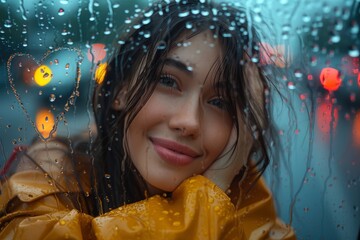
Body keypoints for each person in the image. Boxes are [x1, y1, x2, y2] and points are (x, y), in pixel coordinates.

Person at [0, 0, 295, 239]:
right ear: (121, 90)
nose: (189, 121)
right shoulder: (51, 176)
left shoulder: (251, 211)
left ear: (242, 129)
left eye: (220, 102)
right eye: (168, 81)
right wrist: (208, 203)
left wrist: (218, 192)